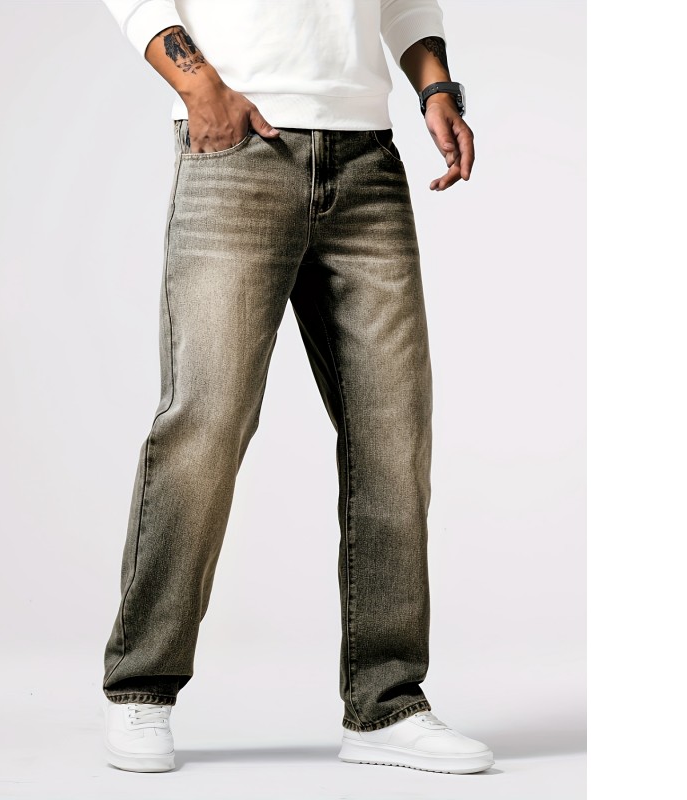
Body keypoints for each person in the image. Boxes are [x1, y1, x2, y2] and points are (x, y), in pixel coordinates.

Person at [99, 0, 492, 775]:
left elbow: (404, 1)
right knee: (205, 424)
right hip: (239, 149)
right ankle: (141, 685)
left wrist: (436, 88)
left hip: (368, 161)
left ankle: (385, 705)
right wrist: (199, 86)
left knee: (393, 435)